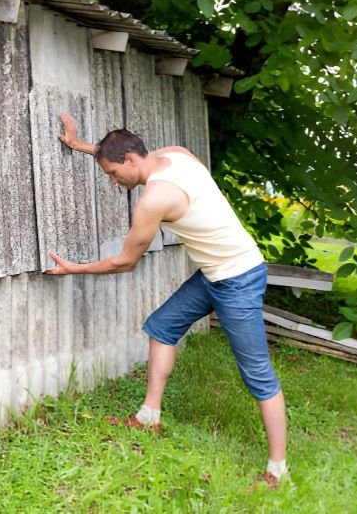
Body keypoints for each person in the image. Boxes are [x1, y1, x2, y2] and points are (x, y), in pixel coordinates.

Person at [47, 113, 288, 487]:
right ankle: (148, 416)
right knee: (162, 327)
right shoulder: (175, 155)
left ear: (129, 161)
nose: (113, 181)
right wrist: (83, 147)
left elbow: (125, 262)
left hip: (237, 278)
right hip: (214, 272)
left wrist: (73, 269)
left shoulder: (154, 199)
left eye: (112, 173)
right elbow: (118, 151)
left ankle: (277, 471)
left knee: (257, 374)